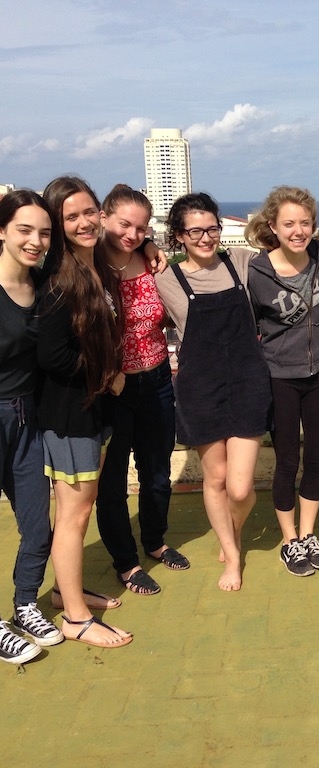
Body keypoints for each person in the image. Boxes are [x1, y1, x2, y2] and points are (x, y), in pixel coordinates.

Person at [155, 192, 271, 592]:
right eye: (196, 231)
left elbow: (283, 248)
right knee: (216, 478)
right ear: (179, 236)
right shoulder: (165, 280)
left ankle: (232, 529)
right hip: (200, 388)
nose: (206, 237)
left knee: (240, 488)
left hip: (247, 381)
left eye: (212, 228)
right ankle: (232, 555)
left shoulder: (240, 263)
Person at [38, 176, 132, 648]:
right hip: (70, 413)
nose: (83, 222)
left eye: (88, 212)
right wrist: (106, 375)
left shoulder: (96, 268)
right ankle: (74, 618)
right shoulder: (58, 281)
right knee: (74, 513)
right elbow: (52, 357)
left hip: (94, 409)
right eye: (70, 216)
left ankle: (64, 592)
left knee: (82, 506)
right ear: (56, 224)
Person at [95, 184, 188, 598]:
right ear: (102, 218)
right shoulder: (89, 265)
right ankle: (125, 562)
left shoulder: (150, 262)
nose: (132, 234)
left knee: (157, 471)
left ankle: (154, 540)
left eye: (141, 227)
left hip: (155, 379)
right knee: (112, 482)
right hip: (111, 389)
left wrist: (149, 244)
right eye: (124, 225)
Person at [246, 187, 319, 577]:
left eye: (304, 223)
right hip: (280, 377)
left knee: (316, 458)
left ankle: (308, 534)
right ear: (273, 227)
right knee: (287, 460)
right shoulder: (256, 272)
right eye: (289, 224)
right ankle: (288, 541)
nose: (298, 231)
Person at [0, 190, 63, 663]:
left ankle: (25, 603)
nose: (35, 240)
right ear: (2, 230)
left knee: (38, 525)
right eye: (24, 229)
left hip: (28, 416)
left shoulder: (43, 284)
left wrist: (148, 250)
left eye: (43, 232)